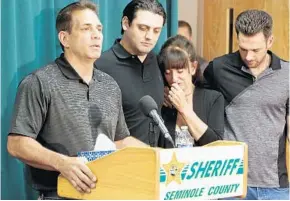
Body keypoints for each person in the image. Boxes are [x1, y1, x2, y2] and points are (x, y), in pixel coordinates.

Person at [7, 1, 147, 199]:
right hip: (59, 194)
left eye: (99, 29)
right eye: (86, 28)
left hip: (108, 192)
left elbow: (120, 141)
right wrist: (62, 163)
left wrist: (158, 157)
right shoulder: (39, 82)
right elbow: (16, 143)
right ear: (65, 38)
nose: (97, 35)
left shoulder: (110, 85)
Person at [203, 9, 289, 200]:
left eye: (256, 50)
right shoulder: (218, 69)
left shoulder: (287, 74)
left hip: (275, 187)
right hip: (229, 184)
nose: (249, 56)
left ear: (270, 41)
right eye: (243, 49)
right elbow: (197, 101)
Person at [95, 0, 166, 146]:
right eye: (143, 28)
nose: (149, 36)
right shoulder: (100, 65)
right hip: (117, 163)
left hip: (156, 161)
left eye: (156, 30)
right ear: (125, 23)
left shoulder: (158, 62)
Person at [157, 35, 224, 148]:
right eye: (168, 72)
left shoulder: (213, 99)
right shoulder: (164, 102)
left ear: (193, 67)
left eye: (180, 71)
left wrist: (184, 109)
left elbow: (216, 145)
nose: (174, 79)